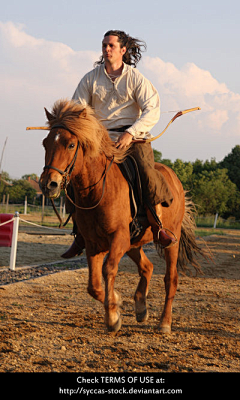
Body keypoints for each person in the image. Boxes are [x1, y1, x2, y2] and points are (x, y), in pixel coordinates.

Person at [62, 30, 176, 258]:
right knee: (72, 173)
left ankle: (157, 226)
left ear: (123, 50)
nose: (106, 49)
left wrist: (131, 133)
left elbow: (152, 109)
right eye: (104, 45)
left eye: (111, 46)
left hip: (132, 139)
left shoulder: (135, 78)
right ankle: (80, 234)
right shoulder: (90, 78)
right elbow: (78, 109)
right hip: (99, 141)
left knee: (146, 171)